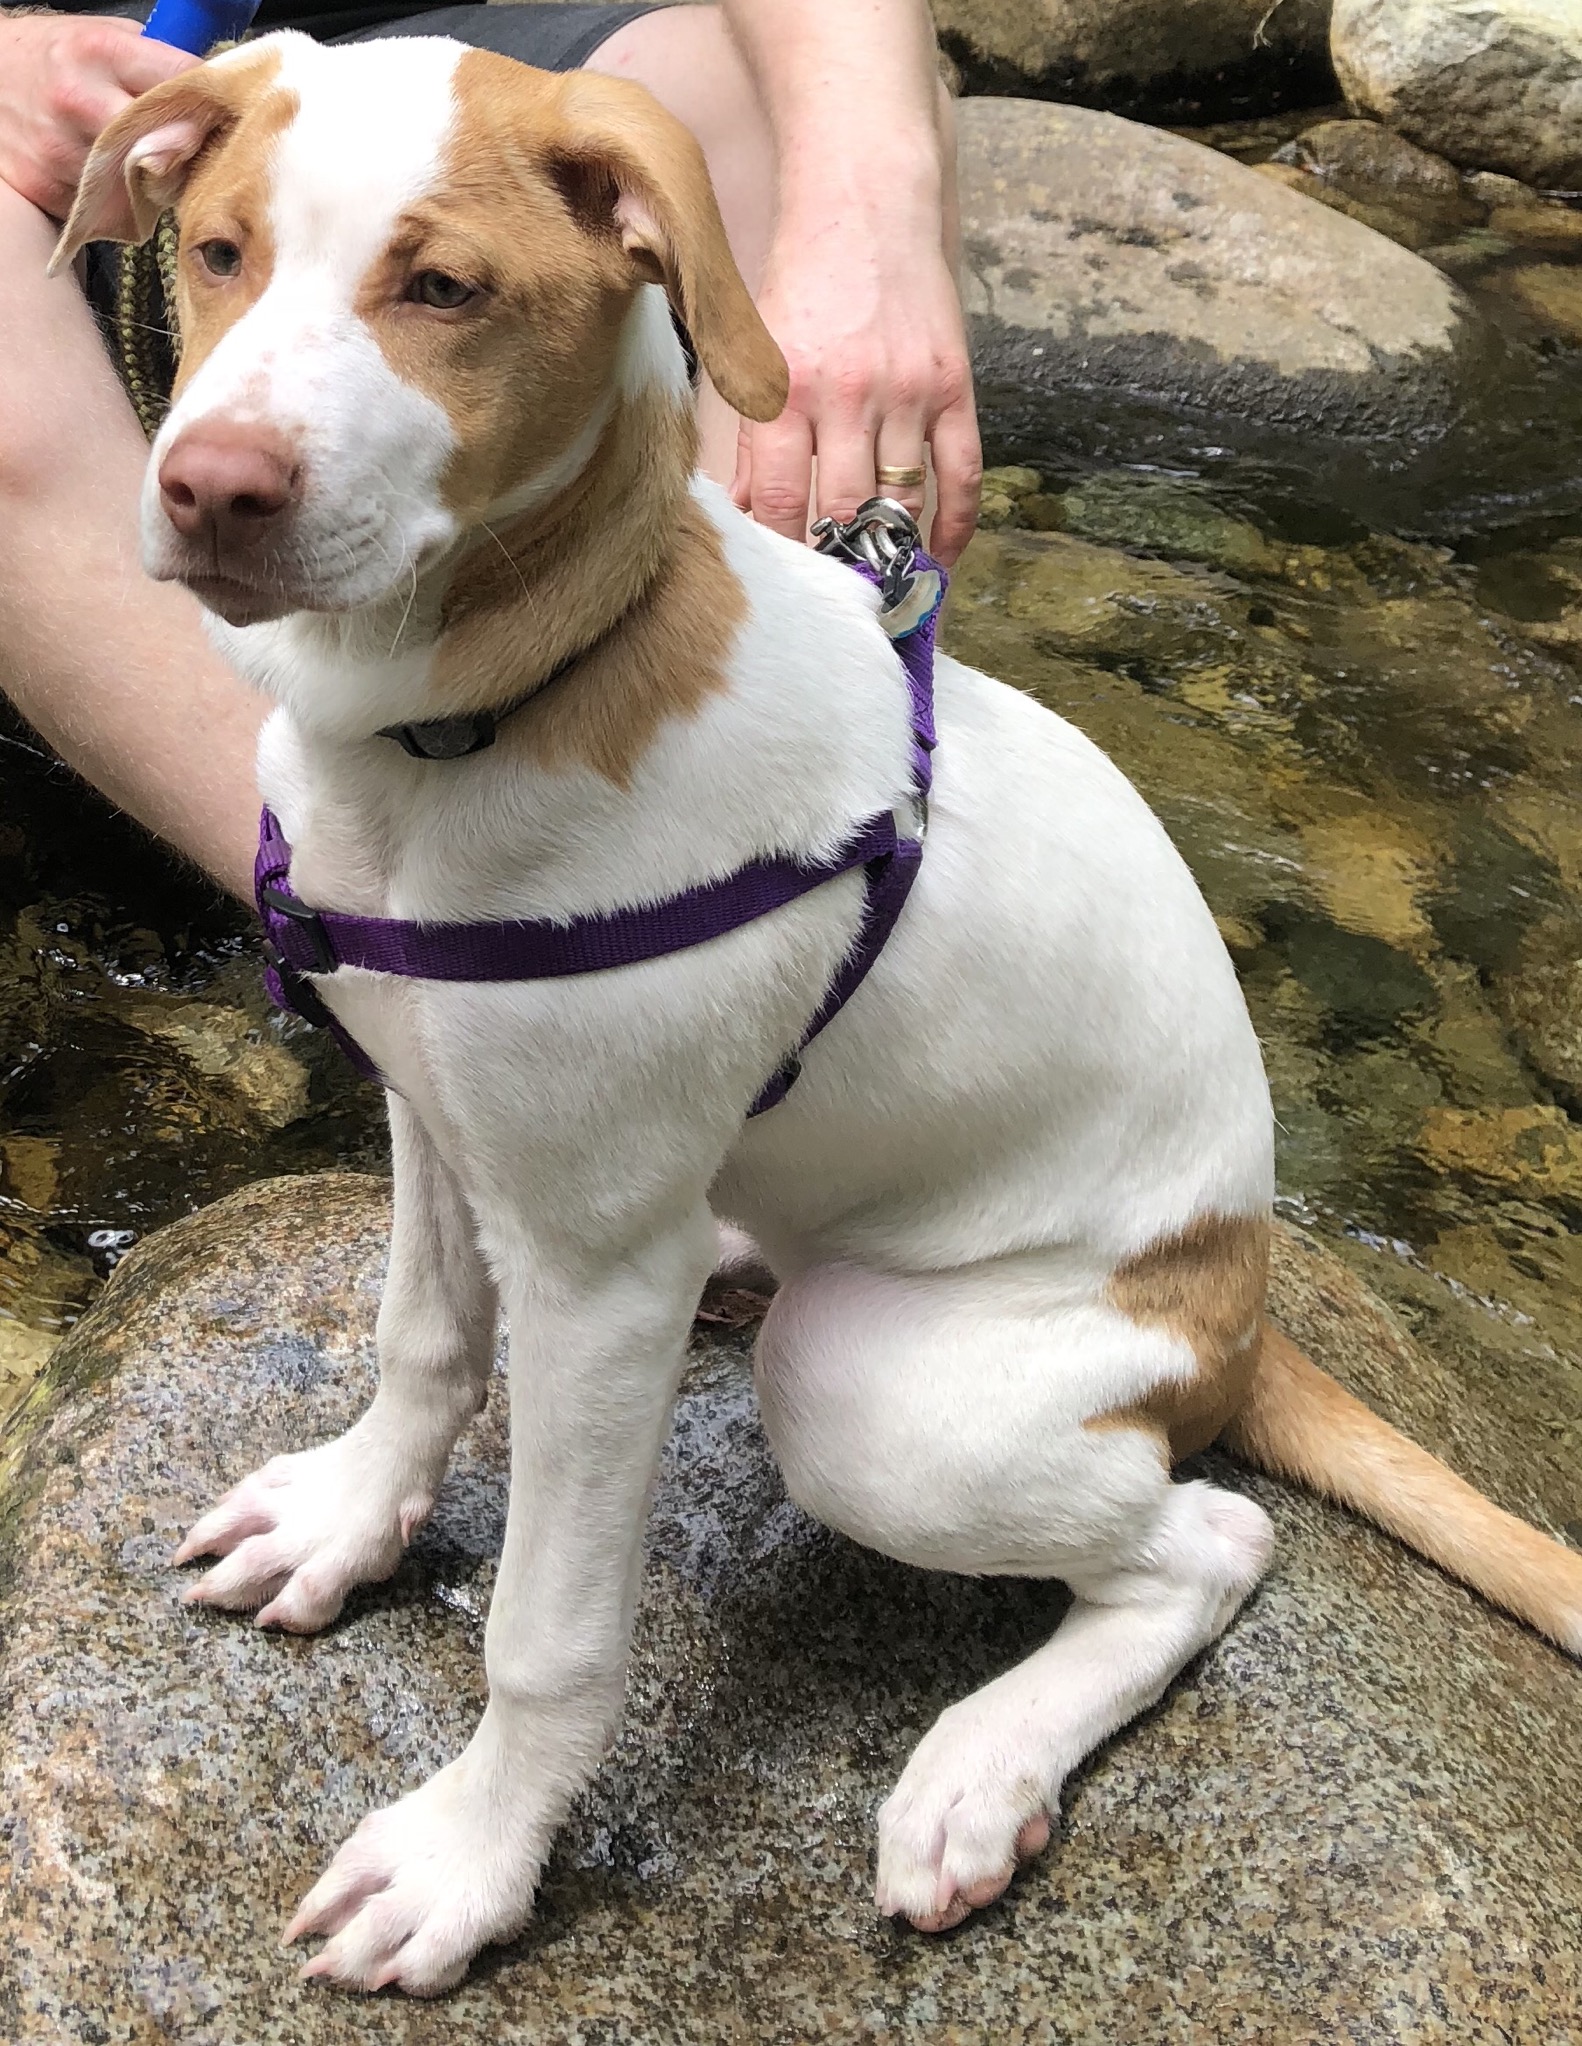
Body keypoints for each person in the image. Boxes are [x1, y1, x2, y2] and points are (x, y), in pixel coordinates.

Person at [0, 0, 981, 900]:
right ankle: (342, 904)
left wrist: (867, 229)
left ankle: (783, 838)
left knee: (823, 108)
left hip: (450, 47)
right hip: (84, 88)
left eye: (438, 285)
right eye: (220, 255)